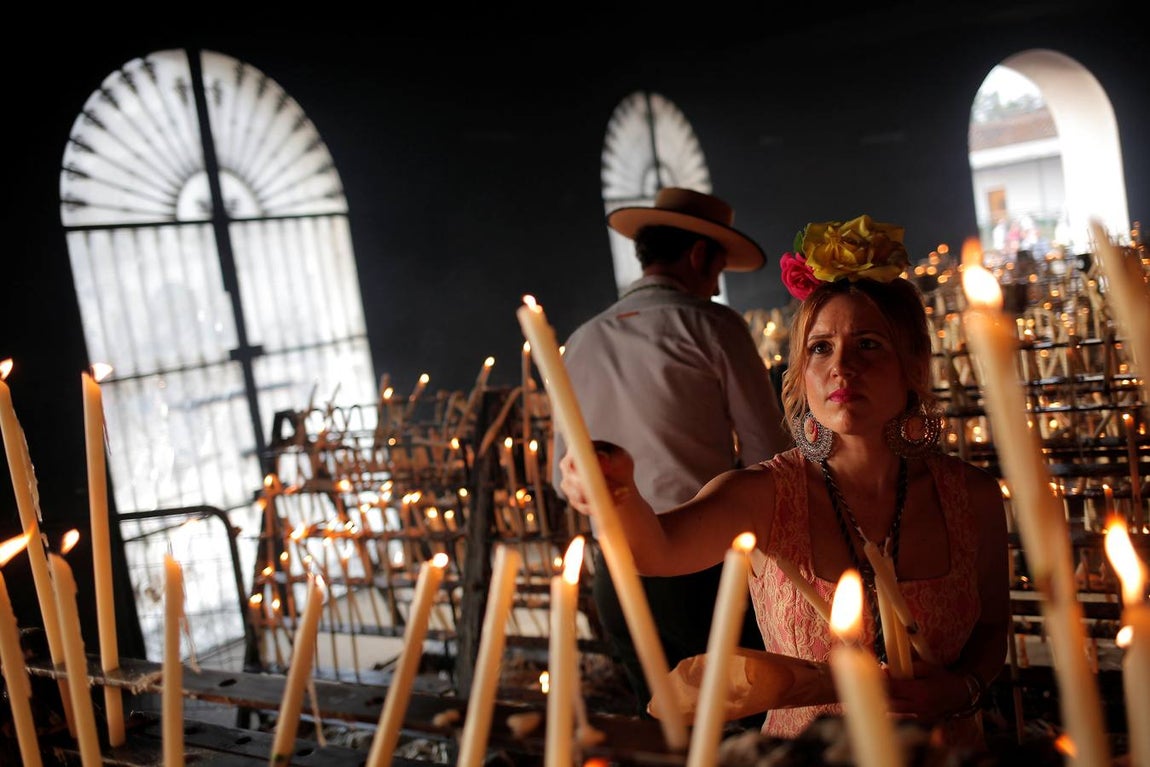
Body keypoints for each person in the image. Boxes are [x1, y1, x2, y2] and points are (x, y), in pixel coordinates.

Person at [559, 214, 1010, 750]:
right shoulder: (764, 494)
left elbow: (991, 630)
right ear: (799, 372)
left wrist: (963, 689)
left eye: (867, 345)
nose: (841, 367)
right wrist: (614, 491)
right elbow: (654, 551)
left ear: (912, 366)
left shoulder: (973, 496)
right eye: (820, 348)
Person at [552, 186, 793, 714]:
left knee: (666, 727)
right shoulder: (713, 325)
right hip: (705, 572)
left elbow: (561, 475)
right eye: (718, 268)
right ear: (700, 255)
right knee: (742, 723)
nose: (715, 283)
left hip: (614, 571)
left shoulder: (582, 340)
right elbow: (768, 456)